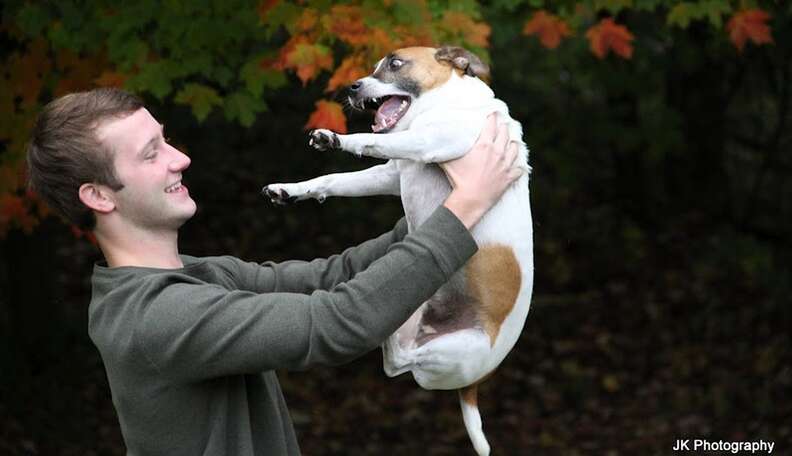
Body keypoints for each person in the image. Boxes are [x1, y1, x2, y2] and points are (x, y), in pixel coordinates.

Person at [26, 88, 522, 455]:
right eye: (151, 153)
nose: (181, 158)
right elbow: (337, 322)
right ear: (98, 196)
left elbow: (334, 277)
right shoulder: (154, 317)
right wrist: (464, 207)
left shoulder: (198, 276)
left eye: (166, 140)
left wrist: (450, 200)